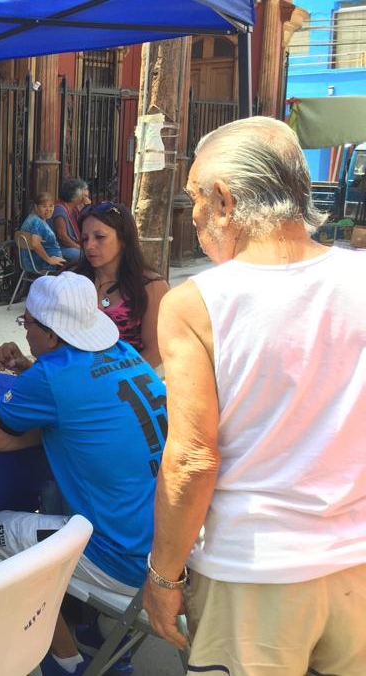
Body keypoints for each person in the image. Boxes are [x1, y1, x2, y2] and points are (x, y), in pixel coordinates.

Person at [143, 117, 366, 674]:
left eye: (194, 195)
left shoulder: (196, 303)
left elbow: (192, 458)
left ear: (223, 199)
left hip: (253, 572)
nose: (192, 214)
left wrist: (163, 577)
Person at [0, 272, 167, 676]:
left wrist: (53, 426)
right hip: (170, 544)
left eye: (27, 323)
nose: (25, 331)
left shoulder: (50, 377)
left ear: (50, 332)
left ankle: (64, 662)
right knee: (59, 497)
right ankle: (101, 632)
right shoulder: (126, 353)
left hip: (124, 559)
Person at [73, 201, 169, 369]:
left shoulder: (150, 286)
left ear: (123, 238)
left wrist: (113, 382)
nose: (89, 246)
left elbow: (154, 351)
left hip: (128, 383)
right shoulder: (74, 280)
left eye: (100, 237)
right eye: (85, 238)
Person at [19, 192, 67, 273]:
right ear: (36, 207)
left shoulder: (33, 219)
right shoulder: (37, 222)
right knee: (77, 263)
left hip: (35, 261)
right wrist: (49, 260)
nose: (48, 209)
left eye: (51, 206)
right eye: (44, 206)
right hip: (43, 264)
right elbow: (35, 243)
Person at [52, 178, 89, 262]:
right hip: (61, 248)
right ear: (74, 197)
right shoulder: (60, 210)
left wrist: (87, 207)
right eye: (84, 196)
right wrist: (79, 247)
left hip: (72, 245)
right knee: (86, 256)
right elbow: (63, 237)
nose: (85, 199)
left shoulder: (75, 208)